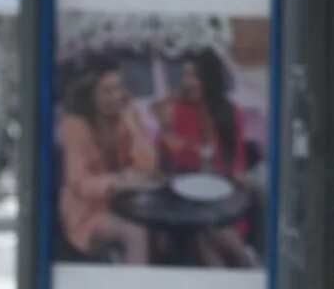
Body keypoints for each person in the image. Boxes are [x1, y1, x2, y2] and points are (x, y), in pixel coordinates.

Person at [152, 48, 254, 268]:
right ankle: (241, 263)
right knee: (203, 230)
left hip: (222, 195)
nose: (189, 82)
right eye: (186, 75)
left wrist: (236, 178)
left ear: (209, 79)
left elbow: (237, 162)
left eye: (195, 76)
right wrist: (165, 130)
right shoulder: (177, 108)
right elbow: (166, 159)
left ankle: (243, 260)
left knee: (209, 230)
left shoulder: (228, 112)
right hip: (186, 196)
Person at [57, 69, 157, 264]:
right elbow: (78, 183)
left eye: (118, 89)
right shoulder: (75, 125)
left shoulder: (127, 115)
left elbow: (148, 165)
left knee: (159, 235)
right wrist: (116, 182)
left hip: (122, 203)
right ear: (91, 95)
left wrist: (134, 128)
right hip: (86, 211)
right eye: (106, 91)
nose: (115, 97)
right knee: (135, 234)